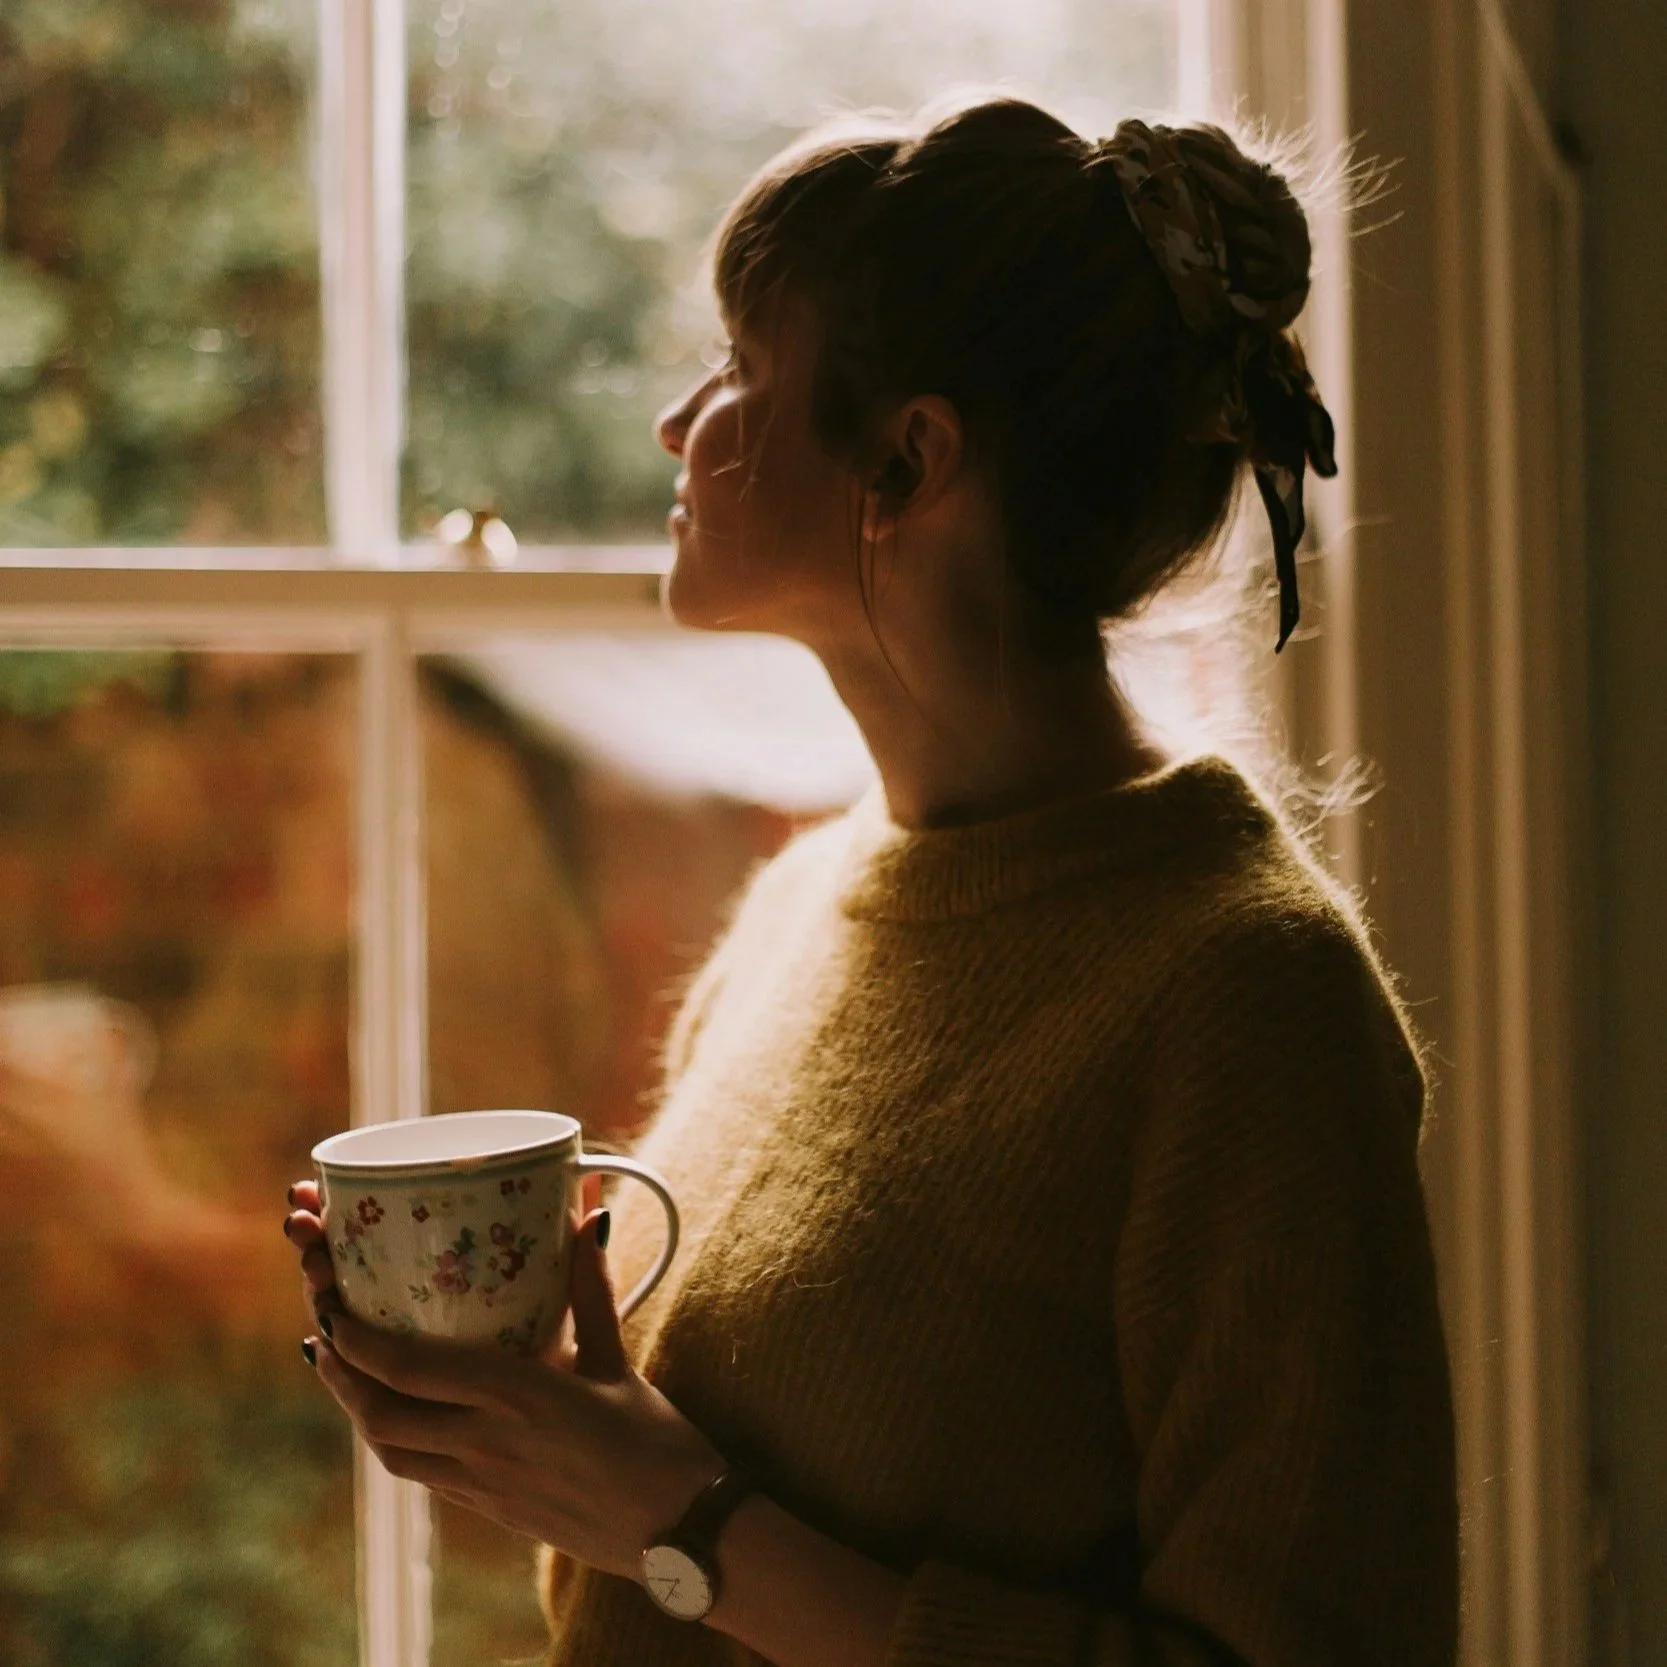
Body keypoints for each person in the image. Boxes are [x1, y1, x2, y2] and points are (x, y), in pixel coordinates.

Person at [283, 95, 1459, 1667]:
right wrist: (522, 1409)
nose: (675, 424)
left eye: (742, 373)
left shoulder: (1247, 1000)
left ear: (906, 460)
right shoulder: (811, 899)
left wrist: (684, 1523)